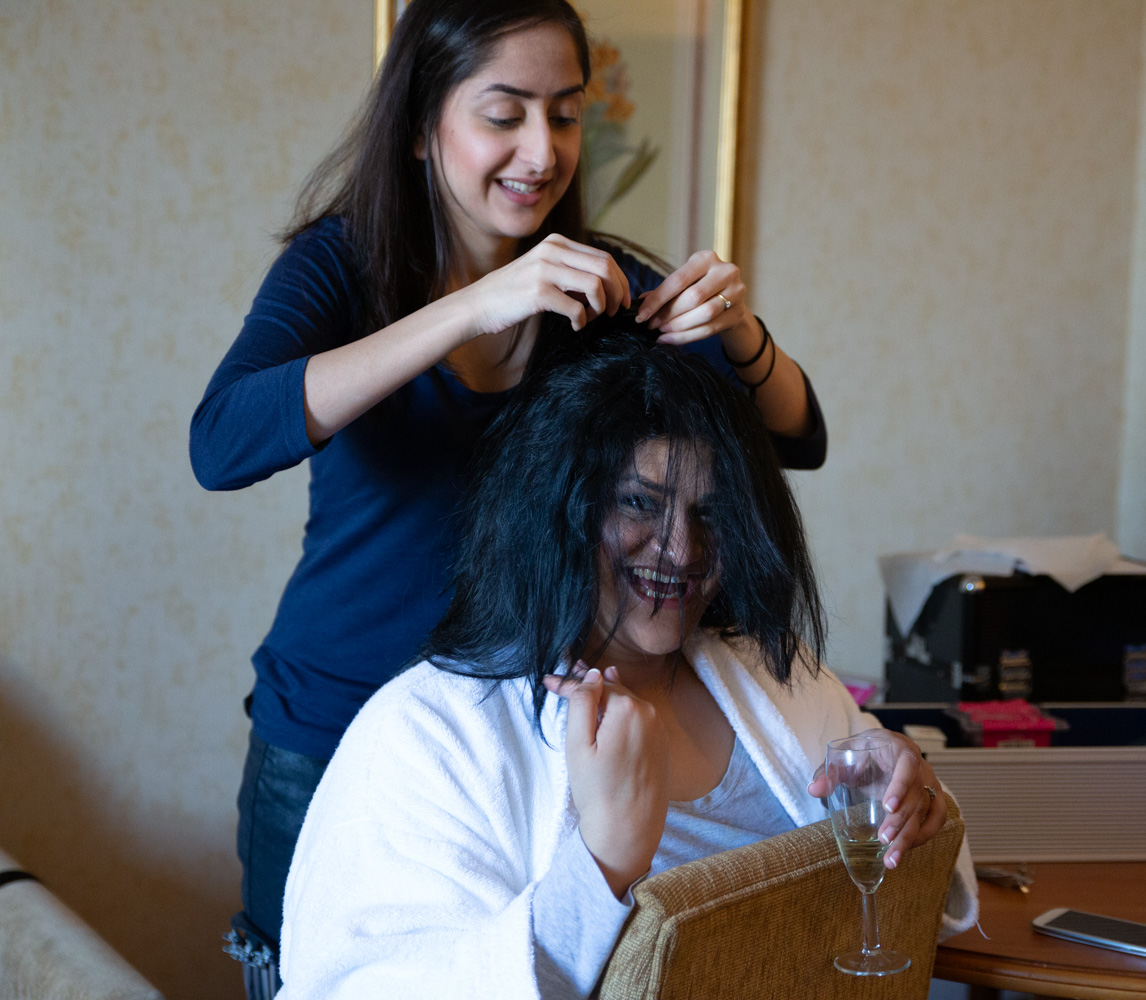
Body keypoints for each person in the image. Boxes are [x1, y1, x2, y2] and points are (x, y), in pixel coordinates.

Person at [188, 0, 826, 990]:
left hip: (507, 752)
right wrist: (468, 310)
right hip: (332, 728)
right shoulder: (342, 266)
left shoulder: (598, 281)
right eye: (504, 112)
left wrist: (735, 332)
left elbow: (795, 434)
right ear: (417, 124)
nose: (540, 148)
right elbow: (221, 440)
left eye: (565, 113)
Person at [275, 325, 977, 1000]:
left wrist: (911, 808)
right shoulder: (427, 733)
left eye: (713, 513)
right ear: (559, 510)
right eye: (641, 503)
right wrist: (603, 860)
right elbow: (367, 983)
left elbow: (915, 912)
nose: (683, 551)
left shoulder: (782, 681)